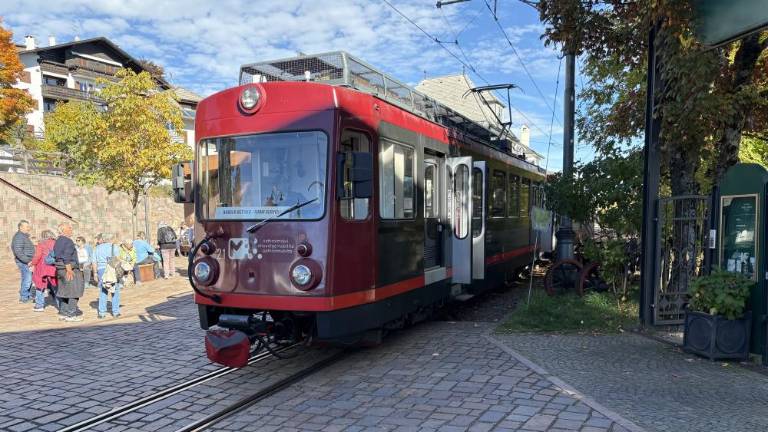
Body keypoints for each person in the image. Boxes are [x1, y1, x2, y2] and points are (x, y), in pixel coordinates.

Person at [53, 223, 84, 322]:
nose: (71, 230)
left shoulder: (58, 241)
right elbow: (66, 257)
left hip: (60, 269)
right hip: (69, 268)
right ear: (63, 230)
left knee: (64, 291)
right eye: (69, 228)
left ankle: (63, 313)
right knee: (74, 292)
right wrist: (69, 269)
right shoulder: (68, 241)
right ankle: (71, 315)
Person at [94, 233, 122, 319]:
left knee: (103, 290)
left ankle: (102, 312)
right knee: (115, 290)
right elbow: (118, 261)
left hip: (101, 270)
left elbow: (94, 262)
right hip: (111, 269)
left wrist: (95, 273)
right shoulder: (115, 247)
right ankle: (116, 311)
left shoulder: (97, 248)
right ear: (112, 238)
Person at [29, 230, 57, 312]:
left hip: (42, 267)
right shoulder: (56, 243)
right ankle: (60, 304)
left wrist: (32, 263)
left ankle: (39, 305)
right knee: (55, 286)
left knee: (39, 286)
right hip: (53, 266)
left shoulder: (41, 244)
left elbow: (37, 256)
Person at [11, 220, 36, 303]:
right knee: (27, 279)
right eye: (26, 226)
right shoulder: (19, 237)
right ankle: (24, 297)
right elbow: (18, 251)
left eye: (28, 226)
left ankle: (26, 295)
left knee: (27, 278)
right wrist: (27, 261)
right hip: (24, 261)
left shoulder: (23, 236)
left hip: (26, 260)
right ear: (21, 227)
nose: (28, 228)